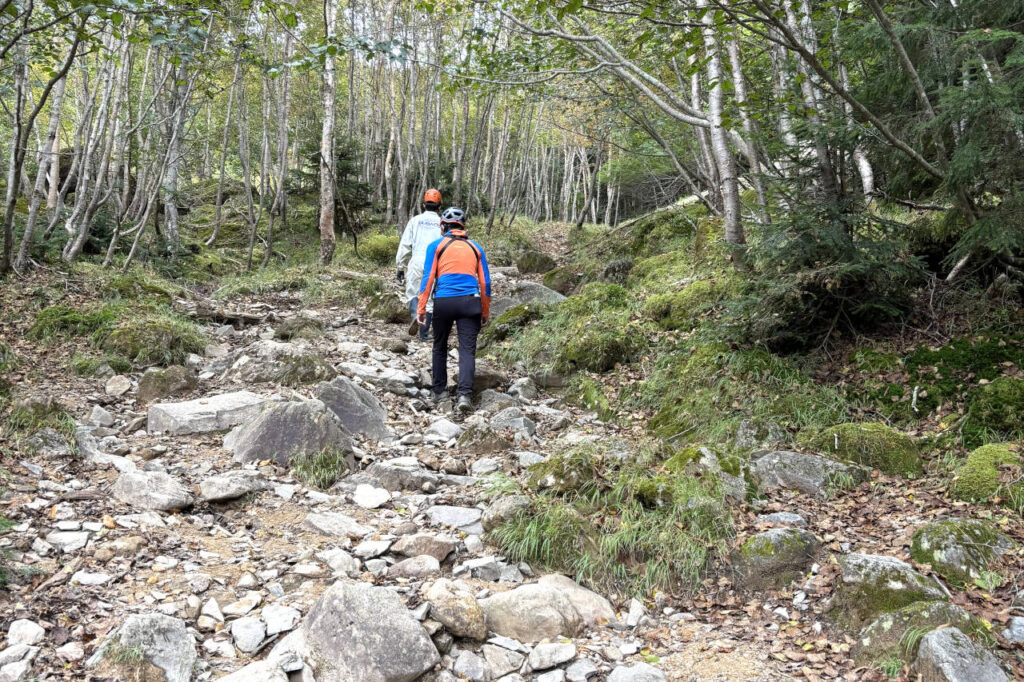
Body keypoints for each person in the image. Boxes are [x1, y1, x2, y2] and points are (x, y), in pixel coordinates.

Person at [417, 207, 491, 413]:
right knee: (467, 350)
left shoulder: (436, 246)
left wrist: (421, 308)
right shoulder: (476, 248)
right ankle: (464, 395)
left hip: (444, 301)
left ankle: (439, 391)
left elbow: (428, 278)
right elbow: (485, 283)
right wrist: (485, 311)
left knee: (439, 346)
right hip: (471, 302)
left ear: (443, 226)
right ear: (463, 227)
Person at [396, 189, 443, 341]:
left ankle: (415, 315)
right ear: (439, 207)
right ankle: (424, 333)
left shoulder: (415, 221)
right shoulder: (443, 223)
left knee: (412, 293)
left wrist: (400, 267)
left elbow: (404, 245)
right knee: (428, 297)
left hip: (416, 260)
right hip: (434, 262)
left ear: (423, 205)